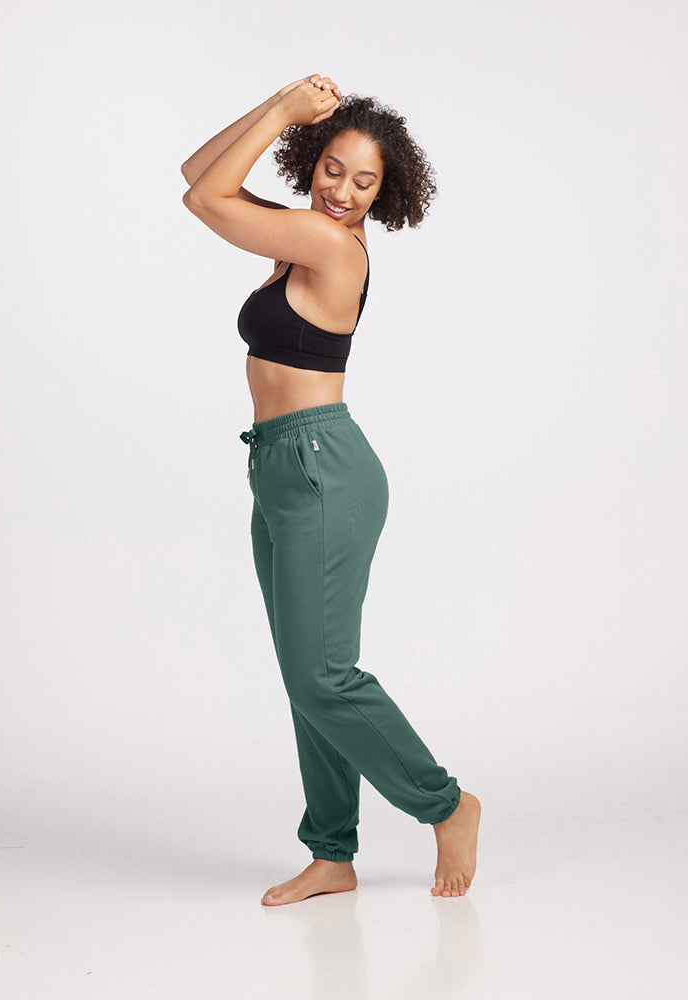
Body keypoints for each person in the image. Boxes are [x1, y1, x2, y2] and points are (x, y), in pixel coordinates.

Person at [181, 75, 481, 906]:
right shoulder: (298, 232)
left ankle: (446, 805)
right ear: (312, 164)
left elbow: (202, 202)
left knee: (324, 676)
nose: (343, 192)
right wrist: (275, 109)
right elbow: (195, 173)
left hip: (323, 469)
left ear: (386, 194)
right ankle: (333, 852)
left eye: (364, 181)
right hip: (278, 463)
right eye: (332, 169)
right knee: (304, 675)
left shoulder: (332, 247)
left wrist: (282, 112)